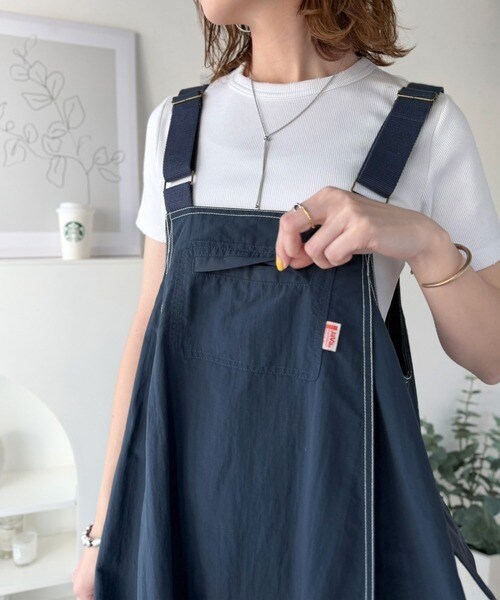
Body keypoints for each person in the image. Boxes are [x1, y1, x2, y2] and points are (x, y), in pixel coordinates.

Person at [72, 1, 500, 598]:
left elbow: (492, 356)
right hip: (182, 514)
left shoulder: (422, 124)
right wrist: (102, 533)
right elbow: (149, 331)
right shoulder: (174, 123)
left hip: (334, 525)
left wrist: (427, 244)